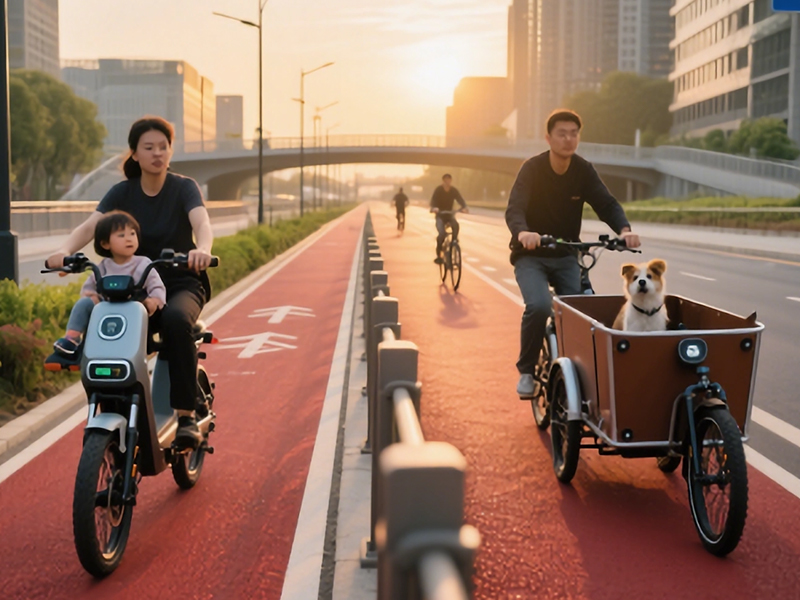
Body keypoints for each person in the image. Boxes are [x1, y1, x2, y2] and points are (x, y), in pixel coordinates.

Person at [46, 116, 215, 448]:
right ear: (134, 154)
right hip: (132, 288)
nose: (157, 153)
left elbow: (202, 222)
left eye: (163, 147)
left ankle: (185, 416)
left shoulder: (184, 187)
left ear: (170, 150)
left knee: (175, 320)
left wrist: (204, 250)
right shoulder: (122, 192)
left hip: (180, 283)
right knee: (104, 323)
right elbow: (91, 226)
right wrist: (63, 251)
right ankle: (115, 400)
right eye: (148, 147)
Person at [505, 109, 641, 398]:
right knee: (540, 306)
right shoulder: (532, 168)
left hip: (567, 255)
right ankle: (527, 371)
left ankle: (583, 376)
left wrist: (624, 229)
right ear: (549, 138)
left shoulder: (583, 170)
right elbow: (515, 207)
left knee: (583, 313)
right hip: (531, 255)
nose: (568, 139)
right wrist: (523, 232)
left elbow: (606, 203)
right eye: (562, 133)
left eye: (574, 133)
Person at [49, 211, 166, 361]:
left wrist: (153, 301)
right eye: (121, 235)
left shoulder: (143, 264)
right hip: (107, 311)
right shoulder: (103, 266)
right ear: (105, 243)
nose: (129, 239)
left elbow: (157, 287)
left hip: (134, 312)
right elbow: (89, 286)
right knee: (84, 303)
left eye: (132, 233)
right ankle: (72, 339)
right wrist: (91, 296)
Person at [430, 174, 468, 264]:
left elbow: (460, 199)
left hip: (450, 215)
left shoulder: (453, 190)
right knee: (442, 234)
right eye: (446, 180)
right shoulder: (438, 190)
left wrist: (464, 207)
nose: (447, 182)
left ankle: (453, 243)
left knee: (456, 226)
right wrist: (434, 208)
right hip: (440, 215)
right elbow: (433, 200)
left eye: (449, 180)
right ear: (443, 181)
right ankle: (439, 255)